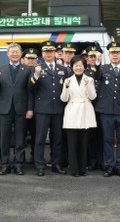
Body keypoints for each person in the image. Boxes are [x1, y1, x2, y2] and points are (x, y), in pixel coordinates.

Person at [96, 42, 120, 177]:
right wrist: (97, 64)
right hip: (106, 111)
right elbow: (96, 77)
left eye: (117, 53)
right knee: (107, 139)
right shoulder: (103, 69)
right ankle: (108, 165)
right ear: (109, 55)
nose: (115, 55)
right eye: (112, 53)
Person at [0, 43, 33, 176]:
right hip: (4, 108)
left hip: (21, 108)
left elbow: (30, 91)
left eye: (17, 52)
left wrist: (30, 109)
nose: (15, 54)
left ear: (21, 54)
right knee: (4, 139)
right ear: (7, 54)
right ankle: (5, 165)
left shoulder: (27, 69)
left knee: (20, 139)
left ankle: (18, 165)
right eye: (12, 52)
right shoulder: (0, 68)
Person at [30, 41, 68, 176]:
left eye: (51, 51)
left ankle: (56, 164)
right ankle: (40, 165)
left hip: (58, 109)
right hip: (42, 109)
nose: (49, 54)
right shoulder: (37, 68)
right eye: (46, 51)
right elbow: (30, 88)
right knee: (40, 139)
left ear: (55, 53)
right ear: (42, 53)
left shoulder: (62, 69)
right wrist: (36, 75)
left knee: (57, 139)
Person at [61, 55, 97, 177]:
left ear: (84, 67)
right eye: (75, 65)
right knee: (72, 144)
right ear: (72, 67)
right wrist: (66, 87)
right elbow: (64, 98)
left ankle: (82, 169)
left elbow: (93, 96)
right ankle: (74, 169)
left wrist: (87, 85)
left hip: (86, 111)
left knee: (83, 144)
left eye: (80, 65)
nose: (78, 68)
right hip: (72, 112)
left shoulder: (89, 79)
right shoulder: (68, 80)